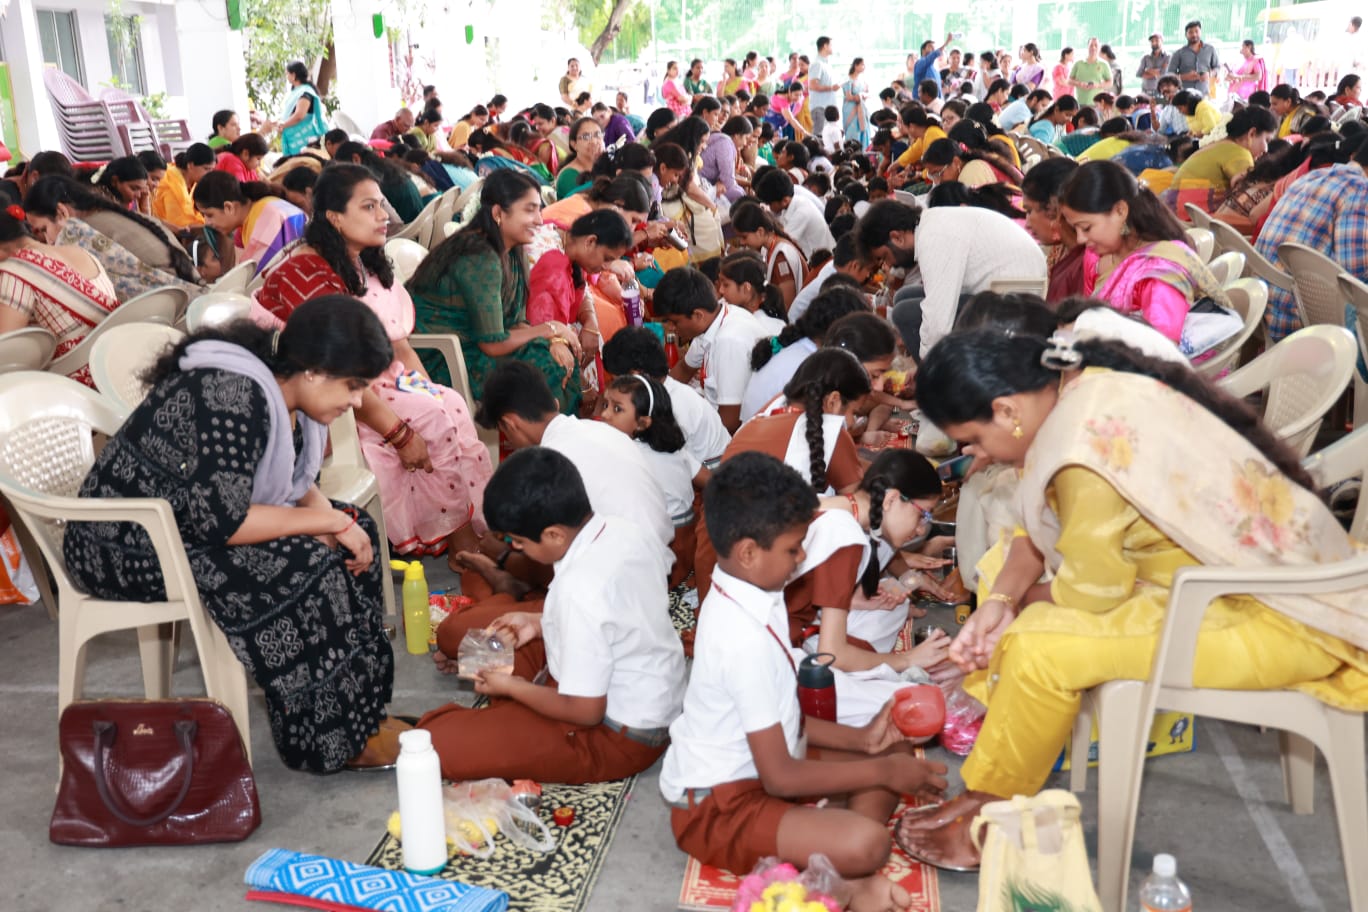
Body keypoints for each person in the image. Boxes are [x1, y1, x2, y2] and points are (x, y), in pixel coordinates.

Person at [895, 326, 1368, 872]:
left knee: (1038, 651)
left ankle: (991, 812)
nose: (975, 456)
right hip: (1225, 580)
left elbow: (1092, 592)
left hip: (1278, 614)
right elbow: (1034, 533)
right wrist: (1003, 599)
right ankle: (988, 794)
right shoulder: (1077, 387)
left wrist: (1013, 610)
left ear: (1006, 410)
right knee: (1022, 612)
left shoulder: (1077, 452)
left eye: (974, 441)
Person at [63, 296, 408, 773]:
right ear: (313, 370)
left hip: (185, 524)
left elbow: (289, 484)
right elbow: (225, 523)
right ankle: (328, 738)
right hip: (121, 543)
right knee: (306, 566)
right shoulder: (230, 392)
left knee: (355, 529)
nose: (357, 401)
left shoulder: (284, 392)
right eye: (353, 386)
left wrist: (333, 519)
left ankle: (359, 715)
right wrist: (327, 523)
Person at [660, 451, 949, 896]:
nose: (801, 558)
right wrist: (883, 774)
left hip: (767, 764)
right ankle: (845, 875)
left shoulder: (755, 587)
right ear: (749, 552)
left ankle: (828, 846)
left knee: (891, 751)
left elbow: (785, 719)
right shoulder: (743, 638)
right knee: (869, 841)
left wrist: (863, 741)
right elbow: (779, 776)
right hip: (717, 805)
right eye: (793, 549)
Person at [250, 164, 493, 558]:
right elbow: (336, 373)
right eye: (369, 207)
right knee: (430, 418)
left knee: (448, 403)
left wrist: (429, 391)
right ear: (334, 217)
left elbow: (400, 347)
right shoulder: (305, 273)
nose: (383, 215)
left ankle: (467, 524)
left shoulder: (361, 261)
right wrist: (400, 434)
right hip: (321, 399)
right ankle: (458, 540)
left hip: (374, 380)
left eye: (381, 205)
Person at [417, 446, 684, 782]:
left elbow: (586, 712)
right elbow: (617, 616)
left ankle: (511, 713)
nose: (516, 549)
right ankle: (513, 715)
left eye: (518, 542)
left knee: (432, 745)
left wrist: (512, 687)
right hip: (641, 693)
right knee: (483, 647)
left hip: (614, 735)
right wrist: (536, 624)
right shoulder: (622, 529)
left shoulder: (579, 590)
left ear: (555, 534)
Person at [408, 169, 581, 414]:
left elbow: (515, 323)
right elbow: (493, 344)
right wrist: (550, 328)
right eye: (529, 210)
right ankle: (546, 434)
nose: (539, 220)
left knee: (558, 355)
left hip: (475, 345)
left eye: (539, 210)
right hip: (443, 358)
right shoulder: (479, 256)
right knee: (544, 371)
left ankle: (556, 431)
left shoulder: (512, 249)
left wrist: (554, 339)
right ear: (498, 213)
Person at [789, 449, 955, 669]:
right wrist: (908, 659)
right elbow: (831, 656)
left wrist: (850, 600)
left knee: (893, 604)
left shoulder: (832, 505)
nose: (921, 529)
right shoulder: (845, 536)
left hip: (778, 627)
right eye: (923, 514)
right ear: (891, 499)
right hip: (780, 647)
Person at [1061, 161, 1231, 350]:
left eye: (1086, 228)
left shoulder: (1159, 272)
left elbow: (1162, 349)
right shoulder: (1117, 258)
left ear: (1120, 211)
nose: (1080, 238)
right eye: (1075, 229)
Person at [855, 199, 1045, 360]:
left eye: (884, 256)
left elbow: (938, 325)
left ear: (897, 237)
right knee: (904, 297)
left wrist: (925, 367)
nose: (888, 265)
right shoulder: (931, 224)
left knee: (904, 314)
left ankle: (936, 384)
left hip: (1017, 302)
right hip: (1005, 290)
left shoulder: (934, 240)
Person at [598, 373, 708, 583]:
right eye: (605, 405)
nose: (605, 414)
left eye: (617, 409)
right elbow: (710, 480)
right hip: (687, 549)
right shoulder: (675, 451)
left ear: (642, 423)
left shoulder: (627, 455)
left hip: (661, 558)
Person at [23, 175, 202, 302]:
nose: (48, 241)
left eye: (44, 229)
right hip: (192, 294)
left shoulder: (81, 235)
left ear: (61, 212)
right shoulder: (119, 215)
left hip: (171, 303)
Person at [1256, 139, 1368, 341]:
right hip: (1302, 322)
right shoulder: (1361, 192)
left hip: (1263, 305)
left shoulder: (1313, 176)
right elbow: (1356, 279)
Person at [0, 202, 118, 384]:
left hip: (83, 378)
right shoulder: (81, 252)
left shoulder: (15, 269)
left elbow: (5, 352)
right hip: (117, 358)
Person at [602, 326, 731, 469]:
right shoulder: (665, 392)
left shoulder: (672, 407)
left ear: (635, 375)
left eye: (617, 381)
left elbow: (671, 467)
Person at [659, 265, 764, 434]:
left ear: (698, 315)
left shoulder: (728, 341)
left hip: (739, 434)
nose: (671, 328)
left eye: (675, 322)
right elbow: (684, 369)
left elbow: (730, 423)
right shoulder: (714, 315)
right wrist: (654, 401)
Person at [526, 208, 630, 350]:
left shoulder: (570, 245)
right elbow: (539, 320)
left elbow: (582, 288)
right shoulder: (546, 258)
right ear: (590, 242)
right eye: (607, 258)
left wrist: (591, 323)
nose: (607, 267)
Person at [193, 171, 305, 275]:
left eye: (209, 215)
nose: (207, 223)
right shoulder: (248, 222)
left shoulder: (266, 217)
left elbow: (253, 279)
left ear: (229, 207)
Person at [1170, 105, 1277, 195]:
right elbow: (1250, 194)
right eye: (1267, 140)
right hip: (1187, 210)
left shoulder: (1221, 145)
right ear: (1251, 134)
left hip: (1175, 204)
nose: (1266, 149)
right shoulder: (1239, 153)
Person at [1020, 158, 1086, 303]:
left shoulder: (1087, 265)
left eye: (1030, 211)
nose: (1027, 224)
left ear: (1054, 209)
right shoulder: (1060, 251)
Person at [730, 202, 806, 315]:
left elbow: (787, 304)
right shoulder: (767, 248)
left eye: (744, 237)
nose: (742, 242)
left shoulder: (781, 256)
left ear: (760, 232)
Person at [754, 169, 835, 260]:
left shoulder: (802, 212)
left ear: (784, 201)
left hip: (824, 260)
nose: (768, 207)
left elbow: (782, 242)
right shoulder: (788, 202)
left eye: (769, 204)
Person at [789, 232, 871, 322]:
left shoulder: (832, 267)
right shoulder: (835, 287)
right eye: (868, 269)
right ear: (855, 266)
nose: (868, 275)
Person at [718, 250, 787, 336]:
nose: (720, 290)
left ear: (746, 288)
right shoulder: (726, 309)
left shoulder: (768, 326)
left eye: (726, 285)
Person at [266, 61, 329, 155]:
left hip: (305, 139)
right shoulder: (295, 92)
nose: (286, 76)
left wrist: (283, 125)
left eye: (287, 73)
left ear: (293, 75)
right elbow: (289, 113)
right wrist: (279, 122)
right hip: (293, 138)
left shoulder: (305, 92)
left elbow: (299, 115)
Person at [153, 143, 215, 228]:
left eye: (212, 169)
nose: (210, 174)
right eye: (206, 169)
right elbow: (179, 226)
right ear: (191, 165)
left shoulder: (193, 181)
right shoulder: (170, 183)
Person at [699, 116, 753, 205]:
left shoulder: (722, 139)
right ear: (737, 135)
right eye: (746, 138)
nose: (745, 143)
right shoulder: (725, 143)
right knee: (739, 194)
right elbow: (728, 180)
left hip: (704, 181)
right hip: (701, 182)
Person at [554, 117, 606, 200]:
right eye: (586, 137)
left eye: (597, 135)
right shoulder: (568, 176)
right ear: (574, 144)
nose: (594, 141)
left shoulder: (605, 164)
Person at [1169, 20, 1219, 97]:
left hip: (1204, 93)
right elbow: (1169, 75)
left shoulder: (1210, 49)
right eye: (1190, 32)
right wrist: (1184, 77)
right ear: (1186, 35)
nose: (1194, 34)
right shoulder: (1178, 53)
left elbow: (1217, 67)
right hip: (1184, 95)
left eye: (1196, 31)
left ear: (1200, 32)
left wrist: (1210, 74)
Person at [1070, 38, 1112, 107]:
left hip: (1097, 104)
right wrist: (1080, 84)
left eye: (1096, 45)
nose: (1093, 48)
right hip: (1079, 102)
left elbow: (1110, 82)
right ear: (1087, 47)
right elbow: (1069, 80)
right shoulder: (1078, 63)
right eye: (1091, 45)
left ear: (1099, 48)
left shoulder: (1104, 64)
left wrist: (1098, 85)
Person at [842, 59, 870, 148]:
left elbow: (868, 93)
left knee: (863, 130)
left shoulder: (863, 80)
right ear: (855, 65)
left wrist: (861, 96)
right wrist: (858, 96)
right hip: (851, 109)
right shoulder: (847, 80)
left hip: (862, 108)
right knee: (853, 130)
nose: (863, 67)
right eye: (862, 64)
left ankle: (864, 151)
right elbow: (848, 96)